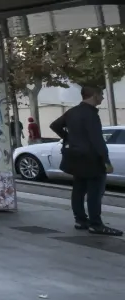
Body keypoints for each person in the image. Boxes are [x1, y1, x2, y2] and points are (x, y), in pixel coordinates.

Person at [51, 85, 122, 235]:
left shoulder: (72, 112)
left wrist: (68, 138)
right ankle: (96, 224)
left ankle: (80, 220)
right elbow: (97, 140)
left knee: (78, 189)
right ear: (94, 95)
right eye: (101, 95)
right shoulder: (91, 114)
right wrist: (106, 161)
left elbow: (54, 125)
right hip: (91, 158)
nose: (102, 97)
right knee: (95, 192)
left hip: (76, 157)